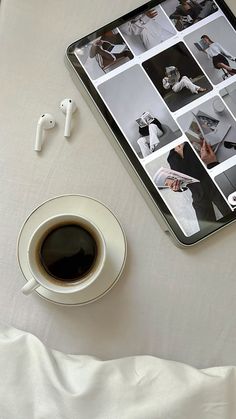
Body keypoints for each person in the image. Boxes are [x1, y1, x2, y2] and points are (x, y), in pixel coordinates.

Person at [165, 142, 230, 229]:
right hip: (198, 195)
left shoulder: (194, 144)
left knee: (231, 214)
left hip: (215, 187)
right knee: (206, 231)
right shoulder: (171, 157)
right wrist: (176, 187)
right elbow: (183, 181)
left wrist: (211, 163)